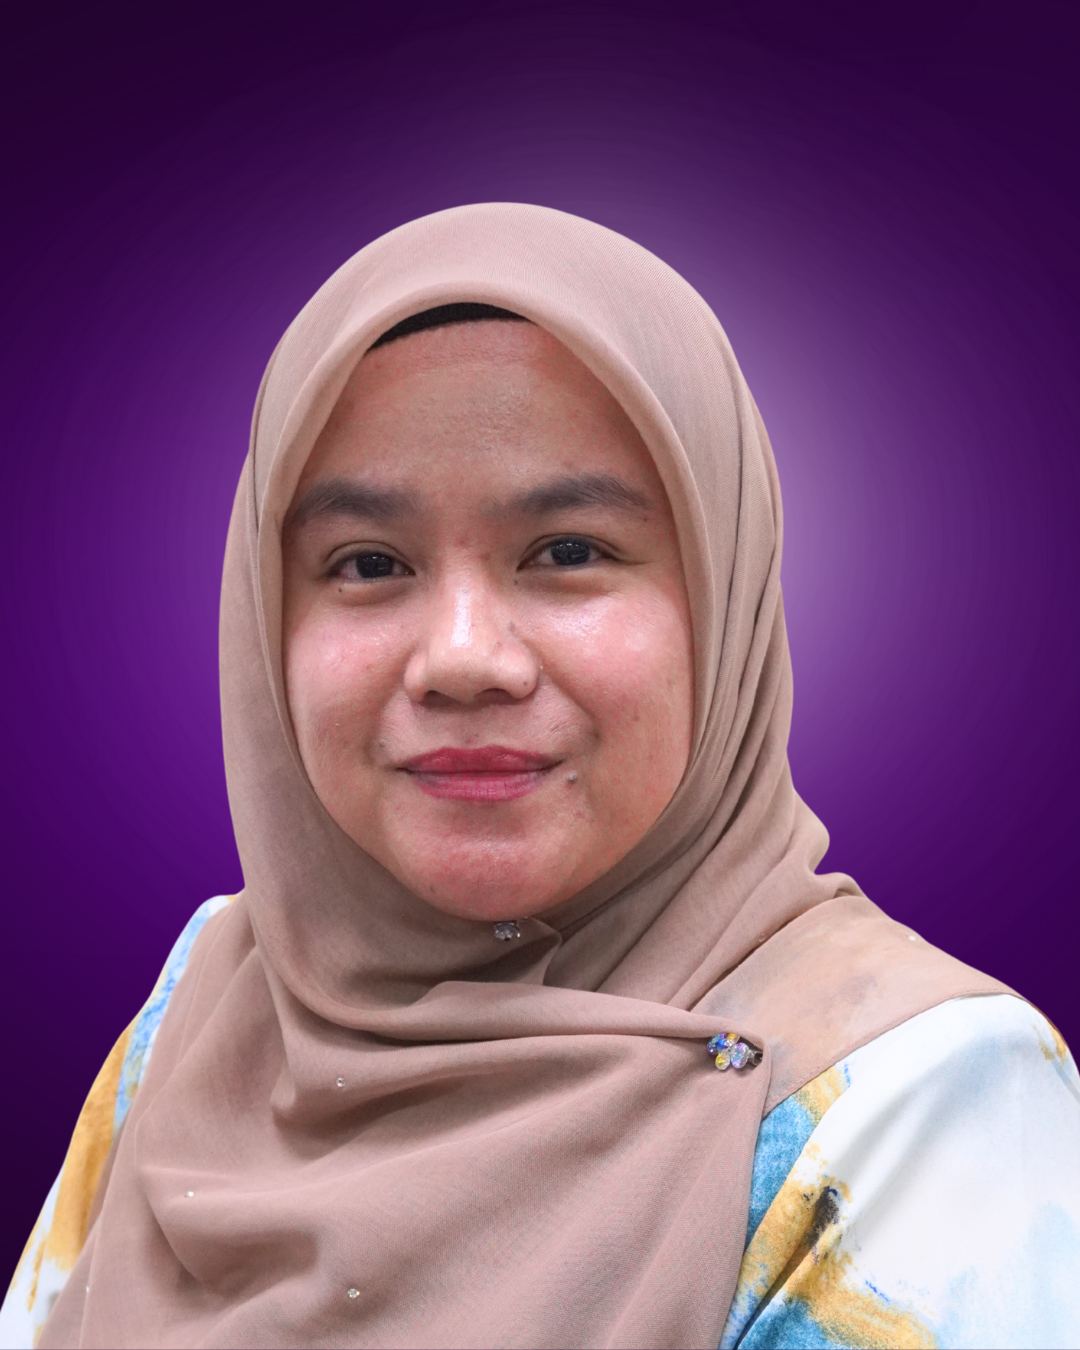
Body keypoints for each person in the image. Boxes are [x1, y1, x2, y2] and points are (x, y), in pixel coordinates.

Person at [3, 204, 1078, 1350]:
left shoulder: (913, 1104)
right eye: (367, 563)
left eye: (568, 551)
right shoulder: (210, 1001)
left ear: (723, 598)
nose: (465, 658)